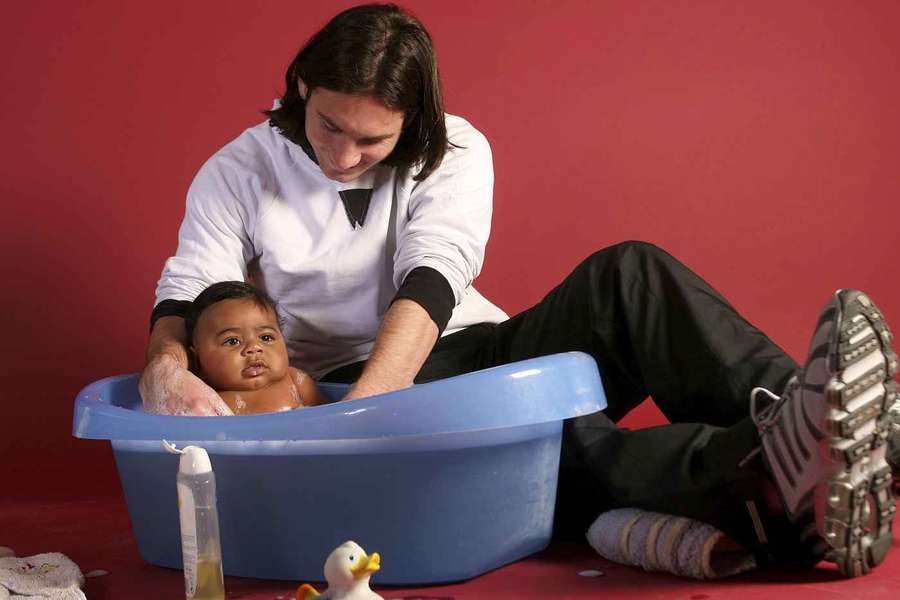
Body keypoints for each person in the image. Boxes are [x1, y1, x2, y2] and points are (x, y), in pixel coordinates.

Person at [140, 3, 899, 578]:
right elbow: (191, 287)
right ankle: (774, 471)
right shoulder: (238, 169)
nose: (345, 155)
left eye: (372, 140)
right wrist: (169, 368)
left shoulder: (458, 146)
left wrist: (381, 405)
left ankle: (819, 420)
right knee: (556, 440)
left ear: (414, 121)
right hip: (342, 383)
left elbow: (433, 276)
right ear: (303, 84)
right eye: (331, 125)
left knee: (629, 272)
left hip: (452, 346)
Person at [184, 281, 328, 415]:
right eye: (233, 341)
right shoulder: (202, 398)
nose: (254, 347)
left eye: (266, 337)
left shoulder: (296, 381)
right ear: (196, 359)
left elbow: (327, 420)